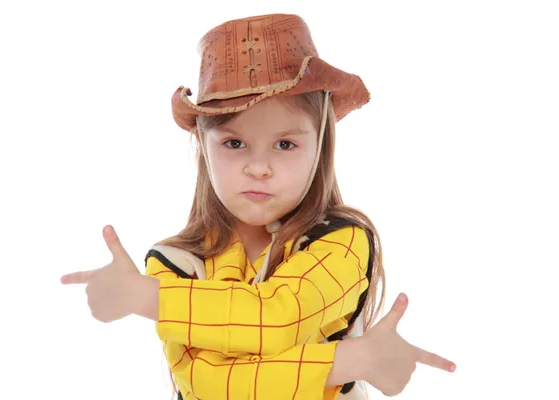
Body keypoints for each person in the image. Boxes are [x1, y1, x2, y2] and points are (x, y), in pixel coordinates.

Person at [61, 13, 456, 400]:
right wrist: (352, 360)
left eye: (285, 144)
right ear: (203, 146)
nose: (259, 168)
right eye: (234, 143)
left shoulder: (342, 240)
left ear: (320, 146)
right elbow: (211, 384)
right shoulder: (173, 262)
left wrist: (147, 299)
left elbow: (276, 318)